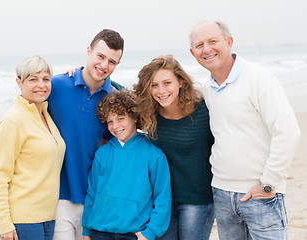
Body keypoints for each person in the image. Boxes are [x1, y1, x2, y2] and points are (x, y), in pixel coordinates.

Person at [190, 20, 301, 240]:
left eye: (213, 41)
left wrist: (268, 183)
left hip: (261, 195)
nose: (207, 49)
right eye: (200, 45)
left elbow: (288, 132)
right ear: (193, 53)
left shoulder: (259, 79)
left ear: (229, 42)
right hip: (222, 195)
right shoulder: (207, 88)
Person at [47, 29, 124, 240]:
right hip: (57, 195)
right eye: (100, 56)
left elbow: (111, 143)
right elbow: (27, 115)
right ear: (89, 51)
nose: (104, 65)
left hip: (94, 197)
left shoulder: (113, 99)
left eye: (112, 61)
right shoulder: (56, 85)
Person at [133, 55, 214, 240]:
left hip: (197, 200)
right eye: (154, 85)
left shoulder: (203, 110)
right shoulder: (148, 113)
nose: (161, 91)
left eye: (167, 83)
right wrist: (84, 72)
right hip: (162, 203)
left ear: (180, 82)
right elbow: (118, 93)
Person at [0, 55, 66, 240]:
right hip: (24, 220)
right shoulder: (13, 121)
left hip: (48, 217)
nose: (41, 85)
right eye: (33, 79)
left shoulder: (45, 116)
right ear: (19, 82)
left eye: (46, 79)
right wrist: (4, 224)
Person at [82, 90, 172, 240]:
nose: (115, 126)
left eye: (120, 118)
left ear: (135, 117)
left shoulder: (154, 155)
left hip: (134, 234)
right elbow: (92, 193)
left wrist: (150, 232)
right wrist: (86, 230)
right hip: (100, 232)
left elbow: (163, 198)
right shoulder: (102, 154)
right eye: (110, 121)